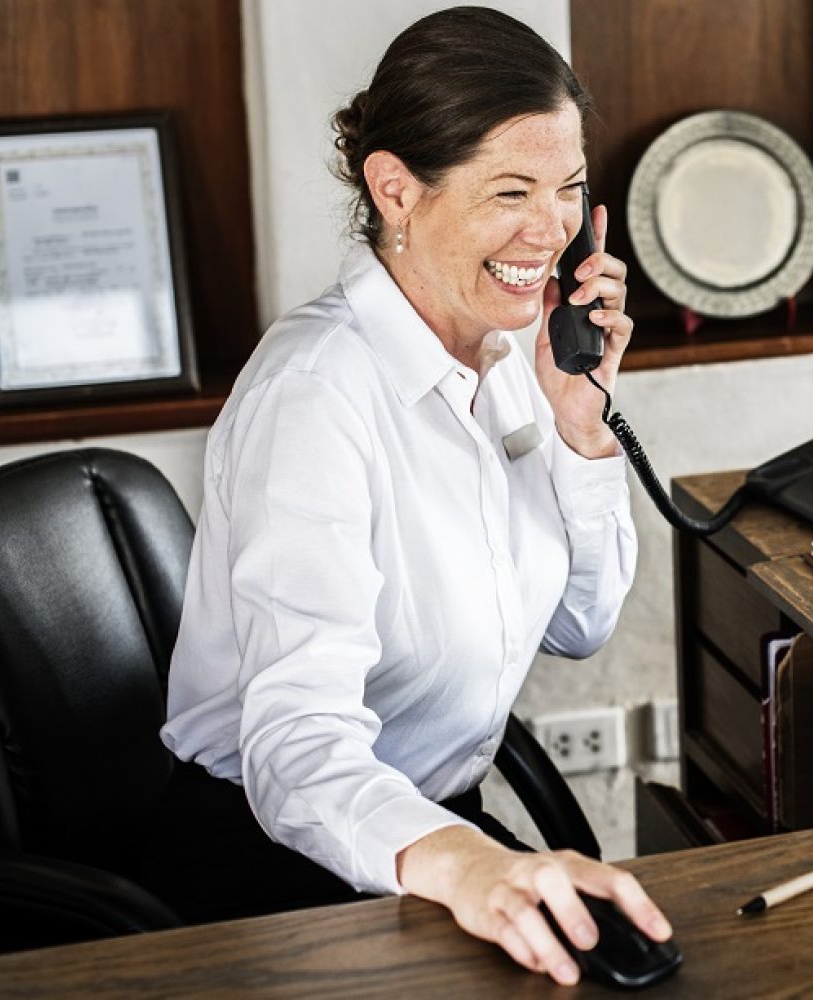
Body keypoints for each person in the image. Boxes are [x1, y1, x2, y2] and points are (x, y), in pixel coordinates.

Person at [142, 7, 670, 987]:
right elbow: (296, 745)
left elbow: (579, 624)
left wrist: (580, 430)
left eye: (568, 190)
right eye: (510, 190)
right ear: (396, 189)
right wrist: (470, 862)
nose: (550, 230)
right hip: (277, 850)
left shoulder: (509, 350)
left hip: (428, 819)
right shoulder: (317, 395)